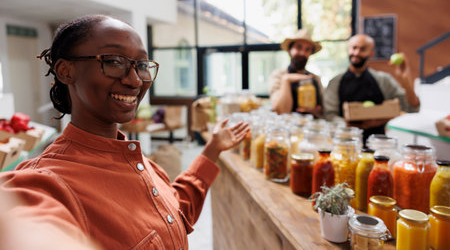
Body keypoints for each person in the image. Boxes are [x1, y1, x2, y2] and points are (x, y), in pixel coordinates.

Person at [0, 15, 249, 249]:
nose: (135, 80)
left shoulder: (145, 166)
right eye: (114, 62)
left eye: (141, 65)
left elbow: (177, 211)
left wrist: (212, 149)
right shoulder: (48, 182)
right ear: (66, 71)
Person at [324, 33, 420, 143]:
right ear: (348, 49)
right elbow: (329, 115)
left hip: (379, 144)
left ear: (371, 54)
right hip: (344, 143)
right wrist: (351, 125)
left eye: (363, 49)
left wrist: (405, 80)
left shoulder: (384, 80)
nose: (356, 53)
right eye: (354, 48)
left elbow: (411, 109)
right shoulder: (335, 82)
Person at [268, 29, 324, 117]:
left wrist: (315, 111)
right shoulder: (278, 76)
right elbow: (280, 111)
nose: (302, 53)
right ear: (290, 50)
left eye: (307, 49)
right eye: (299, 47)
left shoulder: (315, 78)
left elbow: (324, 111)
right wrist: (286, 80)